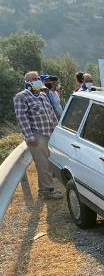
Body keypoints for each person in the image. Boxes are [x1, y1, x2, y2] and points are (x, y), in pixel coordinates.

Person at [13, 71, 63, 199]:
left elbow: (51, 114)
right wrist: (30, 137)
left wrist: (57, 131)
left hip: (49, 134)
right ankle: (47, 191)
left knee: (48, 163)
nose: (37, 80)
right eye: (34, 79)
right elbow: (22, 118)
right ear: (27, 82)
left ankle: (45, 190)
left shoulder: (42, 95)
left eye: (38, 78)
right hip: (37, 135)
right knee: (43, 164)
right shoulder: (21, 97)